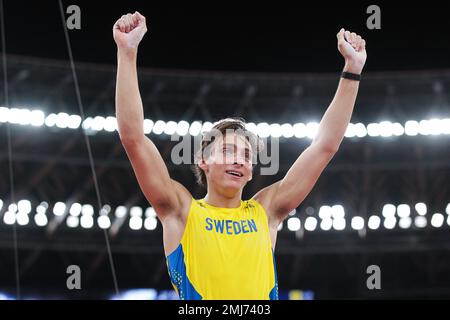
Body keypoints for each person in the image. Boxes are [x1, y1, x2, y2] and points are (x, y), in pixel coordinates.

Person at [113, 12, 367, 300]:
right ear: (203, 161)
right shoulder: (180, 211)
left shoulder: (267, 211)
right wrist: (127, 52)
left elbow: (325, 146)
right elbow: (133, 138)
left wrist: (352, 70)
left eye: (247, 155)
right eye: (227, 150)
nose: (239, 160)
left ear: (250, 170)